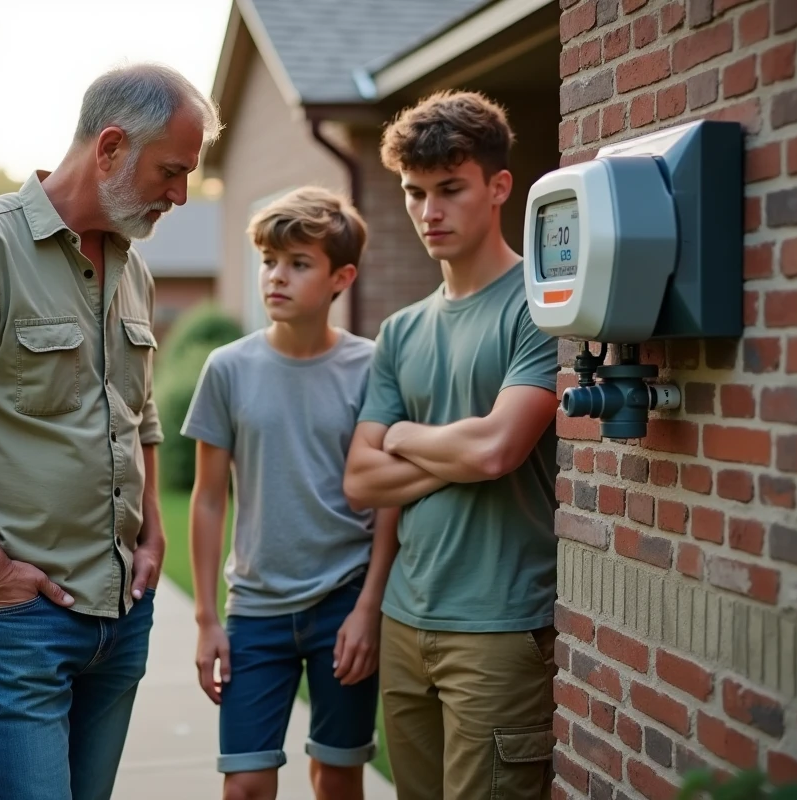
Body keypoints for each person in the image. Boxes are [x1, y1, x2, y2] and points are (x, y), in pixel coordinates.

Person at [0, 63, 222, 800]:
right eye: (172, 171)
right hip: (15, 620)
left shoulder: (134, 267)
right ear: (111, 147)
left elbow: (140, 414)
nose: (181, 196)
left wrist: (152, 534)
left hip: (120, 617)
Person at [343, 90, 561, 800]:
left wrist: (403, 436)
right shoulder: (401, 331)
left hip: (498, 627)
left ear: (499, 187)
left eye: (450, 189)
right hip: (407, 621)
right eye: (414, 192)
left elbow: (498, 452)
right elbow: (360, 481)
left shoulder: (540, 304)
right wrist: (456, 452)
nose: (428, 211)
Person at [182, 187, 401, 800]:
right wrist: (205, 619)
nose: (276, 277)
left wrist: (368, 609)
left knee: (337, 776)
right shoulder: (227, 368)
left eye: (298, 264)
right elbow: (206, 499)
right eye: (269, 261)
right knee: (246, 784)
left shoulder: (372, 366)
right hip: (256, 609)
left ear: (342, 277)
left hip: (344, 602)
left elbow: (388, 498)